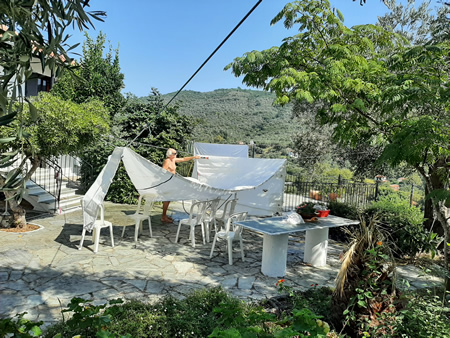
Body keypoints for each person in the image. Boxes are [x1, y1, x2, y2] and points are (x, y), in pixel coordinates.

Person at [161, 148, 200, 223]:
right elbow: (162, 172)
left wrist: (194, 157)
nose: (176, 155)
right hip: (168, 182)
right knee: (167, 199)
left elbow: (183, 159)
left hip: (172, 181)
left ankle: (164, 215)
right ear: (170, 154)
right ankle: (163, 217)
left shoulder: (173, 160)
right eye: (174, 154)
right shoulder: (167, 161)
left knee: (169, 199)